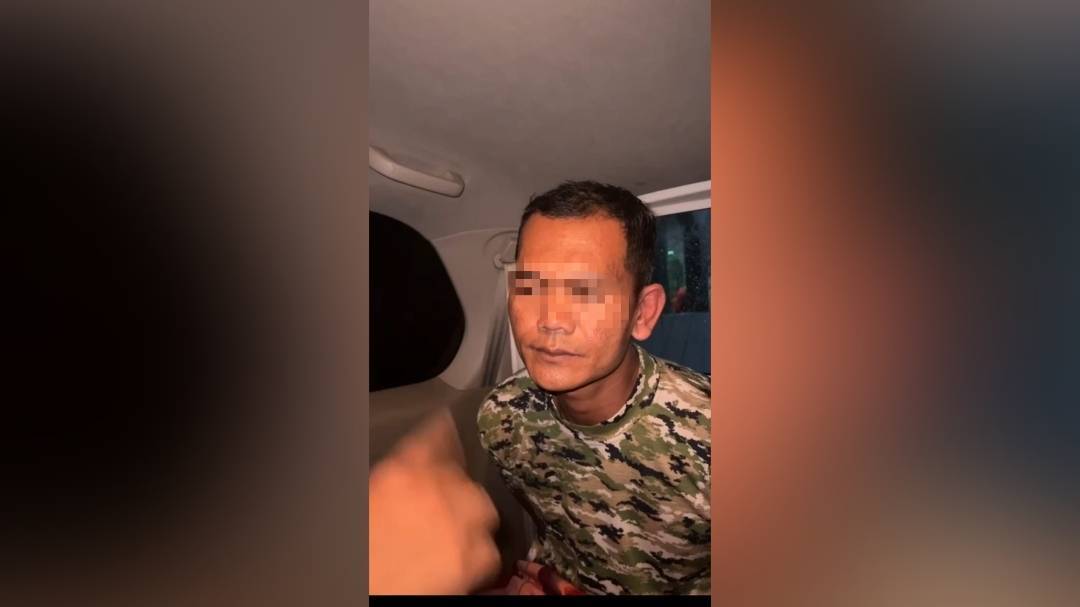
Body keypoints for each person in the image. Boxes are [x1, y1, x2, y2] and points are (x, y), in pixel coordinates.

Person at [476, 181, 711, 595]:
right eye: (530, 286)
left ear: (643, 313)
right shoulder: (501, 417)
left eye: (586, 291)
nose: (552, 320)